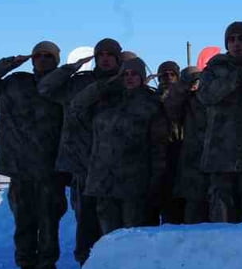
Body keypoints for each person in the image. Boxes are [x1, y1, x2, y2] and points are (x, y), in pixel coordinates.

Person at [0, 41, 68, 269]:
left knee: (49, 224)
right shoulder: (15, 83)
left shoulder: (64, 86)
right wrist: (9, 63)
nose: (42, 59)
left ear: (56, 60)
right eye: (38, 55)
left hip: (51, 169)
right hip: (20, 167)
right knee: (24, 223)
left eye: (48, 56)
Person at [39, 37, 122, 265]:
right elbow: (45, 88)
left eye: (110, 55)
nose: (105, 59)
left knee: (113, 223)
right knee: (86, 223)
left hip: (116, 166)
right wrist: (71, 68)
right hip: (83, 166)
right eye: (100, 55)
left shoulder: (126, 83)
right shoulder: (79, 82)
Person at [73, 57, 170, 235]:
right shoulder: (105, 101)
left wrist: (156, 181)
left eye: (134, 74)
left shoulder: (151, 104)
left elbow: (158, 148)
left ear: (142, 77)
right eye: (124, 74)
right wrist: (105, 84)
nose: (129, 78)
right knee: (108, 238)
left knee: (133, 238)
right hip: (103, 183)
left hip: (134, 185)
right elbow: (77, 105)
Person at [198, 21, 242, 222]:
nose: (236, 44)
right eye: (231, 39)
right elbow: (206, 95)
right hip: (220, 156)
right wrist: (240, 75)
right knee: (222, 216)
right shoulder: (215, 68)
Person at [166, 65, 209, 223]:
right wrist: (183, 88)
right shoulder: (184, 102)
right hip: (192, 170)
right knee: (193, 216)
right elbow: (171, 109)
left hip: (215, 165)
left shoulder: (210, 97)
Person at [152, 60, 186, 225]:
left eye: (172, 74)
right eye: (164, 75)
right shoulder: (151, 99)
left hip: (181, 159)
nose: (168, 78)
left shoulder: (185, 98)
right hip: (157, 162)